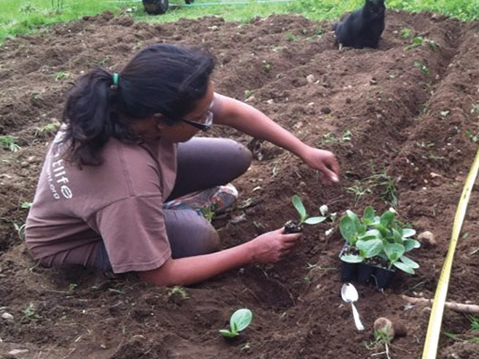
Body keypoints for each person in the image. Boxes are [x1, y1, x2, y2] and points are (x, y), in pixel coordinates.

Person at [25, 43, 340, 286]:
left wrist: (303, 149)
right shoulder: (127, 181)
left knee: (233, 154)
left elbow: (230, 112)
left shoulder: (133, 103)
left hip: (125, 199)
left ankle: (162, 211)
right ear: (160, 122)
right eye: (201, 119)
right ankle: (162, 217)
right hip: (82, 240)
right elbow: (159, 275)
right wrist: (251, 251)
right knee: (199, 238)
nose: (209, 119)